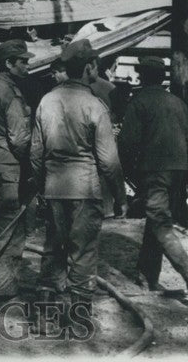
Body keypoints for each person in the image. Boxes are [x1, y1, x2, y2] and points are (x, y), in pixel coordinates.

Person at [30, 39, 127, 323]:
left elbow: (36, 154)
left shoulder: (46, 101)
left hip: (53, 188)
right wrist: (121, 197)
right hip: (85, 189)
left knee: (53, 249)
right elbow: (109, 161)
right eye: (96, 64)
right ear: (88, 67)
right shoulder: (95, 106)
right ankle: (77, 319)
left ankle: (43, 316)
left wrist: (41, 187)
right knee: (82, 253)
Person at [118, 56, 188, 305]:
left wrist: (126, 173)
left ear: (142, 77)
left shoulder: (139, 102)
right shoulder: (177, 103)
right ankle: (148, 277)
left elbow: (126, 143)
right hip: (178, 173)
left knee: (161, 224)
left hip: (154, 173)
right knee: (155, 221)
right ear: (163, 77)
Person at [0, 39, 37, 304]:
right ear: (8, 64)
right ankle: (4, 291)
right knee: (13, 229)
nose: (27, 65)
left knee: (1, 225)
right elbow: (19, 138)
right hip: (12, 166)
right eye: (22, 62)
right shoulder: (10, 93)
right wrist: (36, 165)